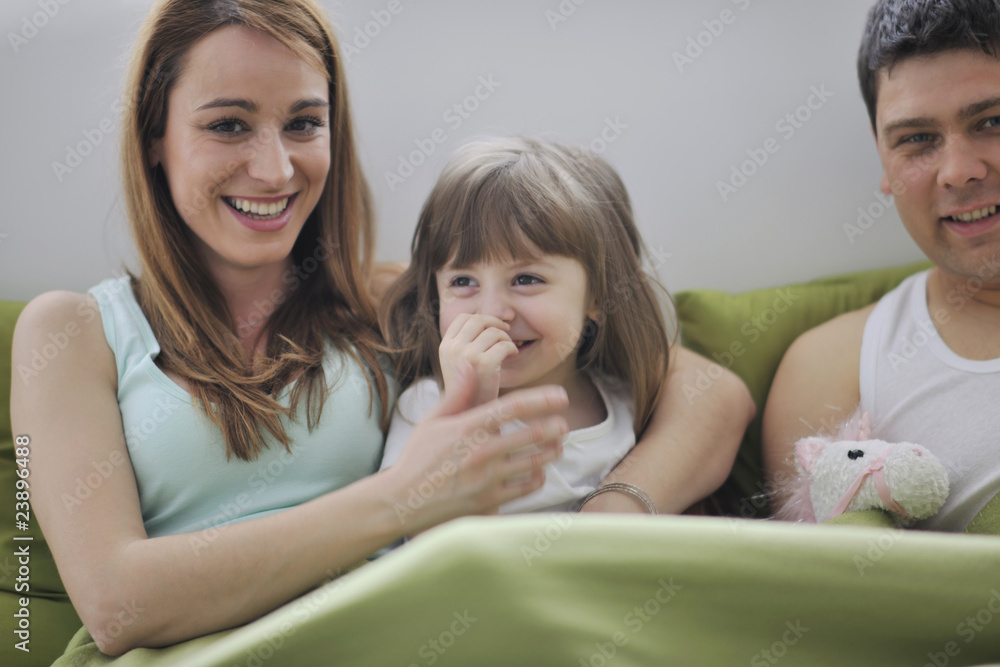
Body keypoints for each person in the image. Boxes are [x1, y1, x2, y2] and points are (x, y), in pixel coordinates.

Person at [10, 0, 752, 658]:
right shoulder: (71, 332)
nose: (274, 168)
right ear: (154, 138)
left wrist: (615, 512)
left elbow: (709, 393)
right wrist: (404, 494)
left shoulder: (376, 296)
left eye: (304, 123)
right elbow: (115, 602)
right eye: (228, 124)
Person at [380, 137, 726, 515]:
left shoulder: (627, 400)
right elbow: (428, 553)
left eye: (526, 279)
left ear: (597, 295)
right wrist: (471, 416)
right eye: (462, 281)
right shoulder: (427, 407)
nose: (492, 312)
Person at [763, 0, 1000, 532]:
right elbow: (829, 598)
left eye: (993, 121)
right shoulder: (833, 364)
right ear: (883, 159)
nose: (959, 172)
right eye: (917, 139)